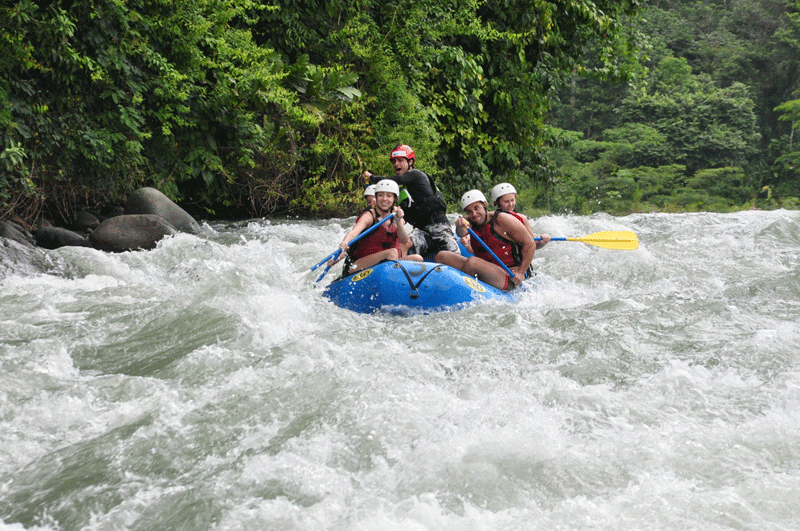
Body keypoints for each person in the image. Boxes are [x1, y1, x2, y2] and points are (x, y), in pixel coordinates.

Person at [362, 144, 459, 257]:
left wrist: (372, 178)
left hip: (440, 227)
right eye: (394, 162)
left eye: (400, 160)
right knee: (403, 246)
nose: (396, 164)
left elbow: (397, 180)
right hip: (422, 232)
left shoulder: (416, 175)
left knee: (455, 257)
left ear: (410, 162)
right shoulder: (403, 194)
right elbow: (402, 219)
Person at [435, 190, 537, 291]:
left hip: (509, 275)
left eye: (476, 208)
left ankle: (459, 289)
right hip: (486, 269)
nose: (474, 214)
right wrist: (459, 225)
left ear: (485, 204)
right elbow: (461, 233)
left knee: (472, 263)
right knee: (442, 256)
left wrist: (521, 272)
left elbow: (530, 244)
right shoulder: (470, 221)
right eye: (469, 211)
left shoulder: (502, 219)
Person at [329, 179, 423, 274]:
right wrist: (345, 242)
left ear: (395, 199)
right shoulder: (369, 216)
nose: (384, 199)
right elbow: (354, 232)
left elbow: (405, 241)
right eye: (381, 195)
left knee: (417, 258)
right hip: (357, 265)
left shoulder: (397, 217)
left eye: (389, 196)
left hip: (384, 264)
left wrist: (398, 221)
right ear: (376, 197)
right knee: (392, 253)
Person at [490, 182, 550, 251]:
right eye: (506, 202)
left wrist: (543, 242)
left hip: (518, 260)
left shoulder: (522, 218)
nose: (510, 204)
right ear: (497, 202)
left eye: (512, 200)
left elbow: (534, 245)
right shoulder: (491, 218)